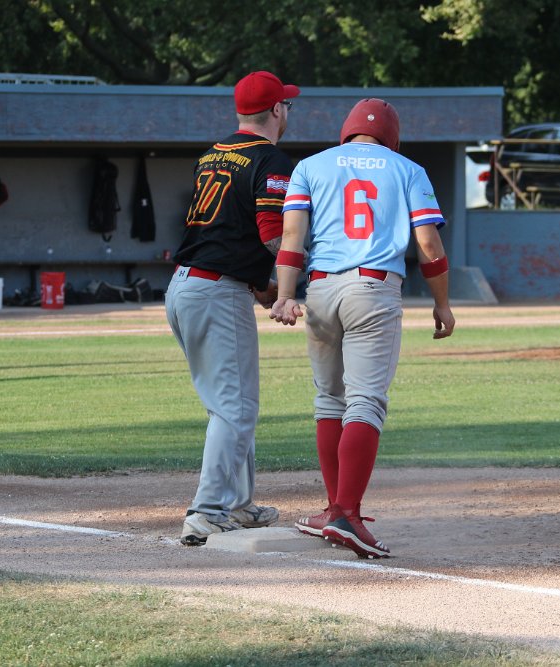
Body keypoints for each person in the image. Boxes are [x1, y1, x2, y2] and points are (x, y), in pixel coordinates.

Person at [270, 98, 455, 559]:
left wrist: (285, 294)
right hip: (373, 288)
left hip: (320, 288)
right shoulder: (408, 169)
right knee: (365, 401)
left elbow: (292, 237)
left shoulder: (310, 166)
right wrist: (442, 304)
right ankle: (346, 514)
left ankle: (335, 508)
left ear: (347, 131)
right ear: (392, 135)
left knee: (329, 400)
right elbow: (428, 243)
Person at [166, 71, 301, 545]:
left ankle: (237, 505)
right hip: (216, 292)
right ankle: (206, 512)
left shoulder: (212, 153)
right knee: (235, 407)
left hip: (189, 285)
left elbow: (226, 231)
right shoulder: (271, 158)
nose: (288, 110)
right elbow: (271, 233)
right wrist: (299, 275)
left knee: (231, 406)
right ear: (277, 110)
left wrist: (260, 284)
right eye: (286, 105)